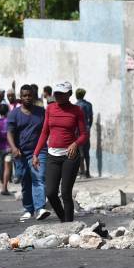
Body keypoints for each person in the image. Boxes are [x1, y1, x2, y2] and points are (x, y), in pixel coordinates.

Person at [33, 82, 88, 222]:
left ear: (69, 94)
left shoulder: (77, 110)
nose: (57, 96)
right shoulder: (50, 109)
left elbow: (84, 135)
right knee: (50, 192)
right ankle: (64, 219)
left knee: (65, 193)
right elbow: (45, 132)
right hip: (53, 155)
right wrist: (36, 154)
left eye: (61, 93)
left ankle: (69, 225)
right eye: (56, 93)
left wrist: (75, 144)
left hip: (70, 156)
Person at [7, 84, 50, 221]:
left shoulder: (41, 112)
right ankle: (28, 209)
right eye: (24, 95)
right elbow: (10, 133)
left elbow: (47, 129)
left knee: (39, 177)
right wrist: (14, 148)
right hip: (21, 153)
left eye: (29, 95)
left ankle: (40, 208)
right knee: (25, 180)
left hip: (39, 151)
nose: (27, 98)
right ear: (21, 97)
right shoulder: (14, 114)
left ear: (33, 96)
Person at [75, 88, 93, 178]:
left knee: (80, 152)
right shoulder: (89, 105)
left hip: (79, 131)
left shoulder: (76, 106)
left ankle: (82, 171)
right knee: (87, 152)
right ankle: (88, 171)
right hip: (87, 130)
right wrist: (88, 127)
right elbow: (91, 118)